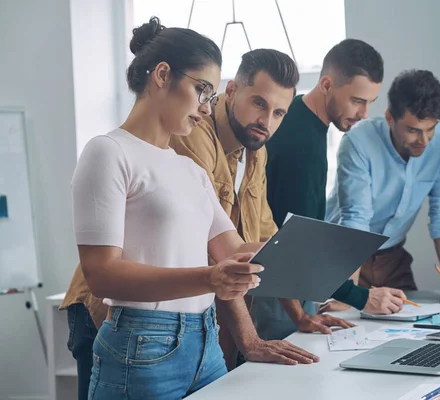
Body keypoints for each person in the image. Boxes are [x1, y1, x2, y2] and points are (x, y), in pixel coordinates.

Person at [66, 17, 316, 400]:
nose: (205, 108)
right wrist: (209, 279)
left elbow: (234, 250)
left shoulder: (189, 169)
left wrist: (318, 252)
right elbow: (101, 275)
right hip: (140, 345)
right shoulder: (108, 152)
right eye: (202, 90)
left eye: (210, 95)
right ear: (163, 75)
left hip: (206, 344)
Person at [169, 48, 352, 370]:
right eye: (259, 103)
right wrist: (250, 342)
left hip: (201, 315)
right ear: (231, 90)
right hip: (132, 315)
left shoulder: (255, 150)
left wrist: (300, 317)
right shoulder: (194, 135)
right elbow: (213, 250)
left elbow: (270, 240)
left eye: (279, 113)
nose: (266, 122)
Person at [265, 38, 408, 319]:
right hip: (275, 291)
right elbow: (298, 243)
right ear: (327, 85)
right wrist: (361, 297)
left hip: (287, 285)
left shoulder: (299, 115)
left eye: (370, 103)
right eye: (357, 101)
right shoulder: (304, 147)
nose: (364, 114)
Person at [326, 69, 440, 297]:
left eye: (430, 129)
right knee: (343, 323)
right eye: (413, 130)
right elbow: (356, 219)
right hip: (344, 253)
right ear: (389, 118)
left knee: (414, 323)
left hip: (392, 257)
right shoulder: (358, 142)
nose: (424, 141)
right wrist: (349, 295)